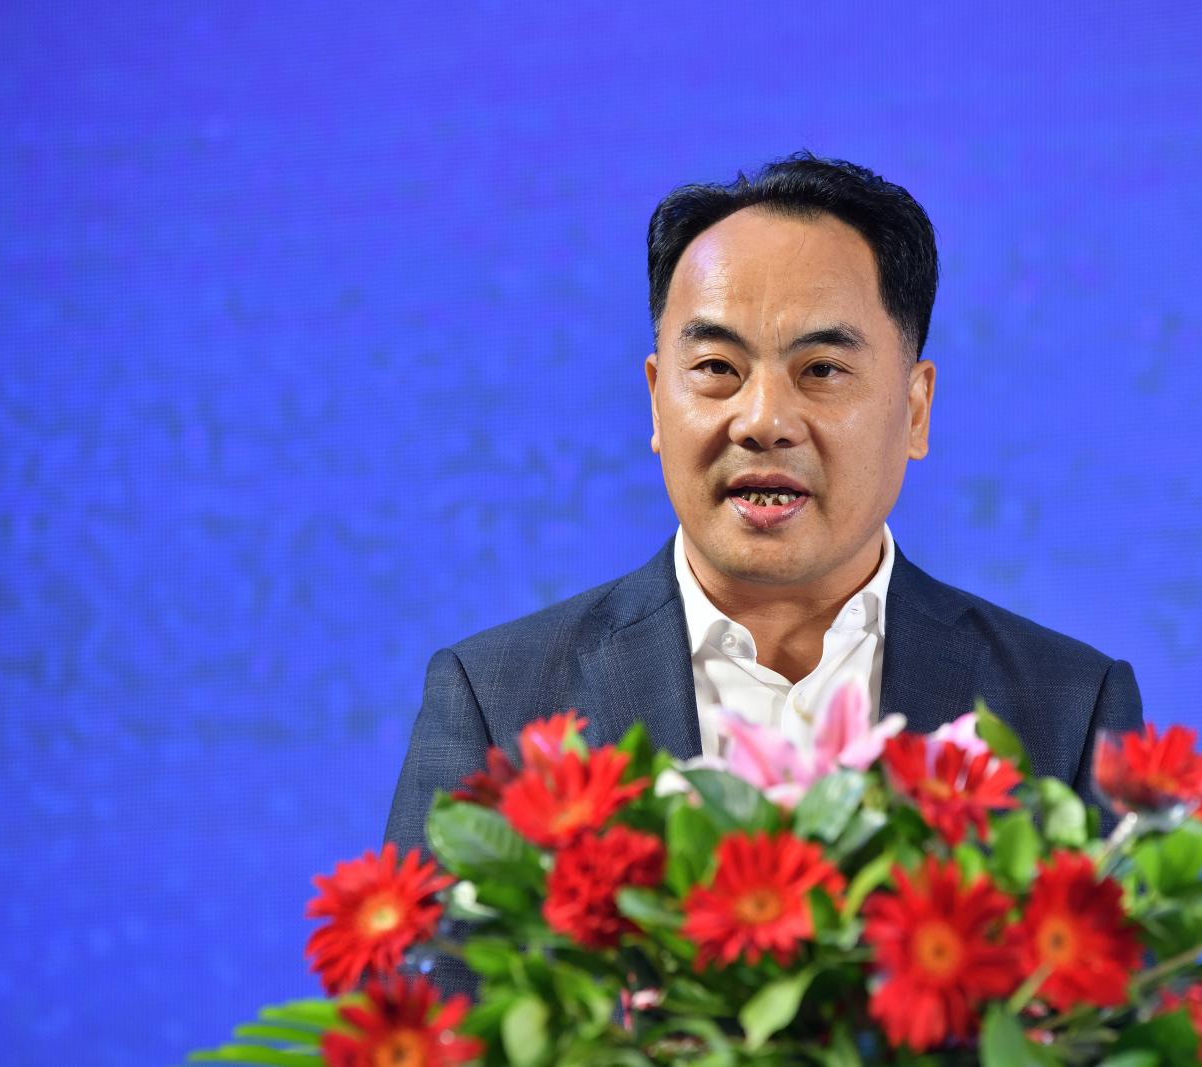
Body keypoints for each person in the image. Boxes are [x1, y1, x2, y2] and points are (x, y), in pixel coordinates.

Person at [385, 153, 1143, 990]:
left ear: (915, 409)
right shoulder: (499, 700)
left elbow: (1118, 1018)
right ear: (656, 399)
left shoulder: (1067, 707)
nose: (763, 419)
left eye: (821, 370)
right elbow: (412, 1015)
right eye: (717, 369)